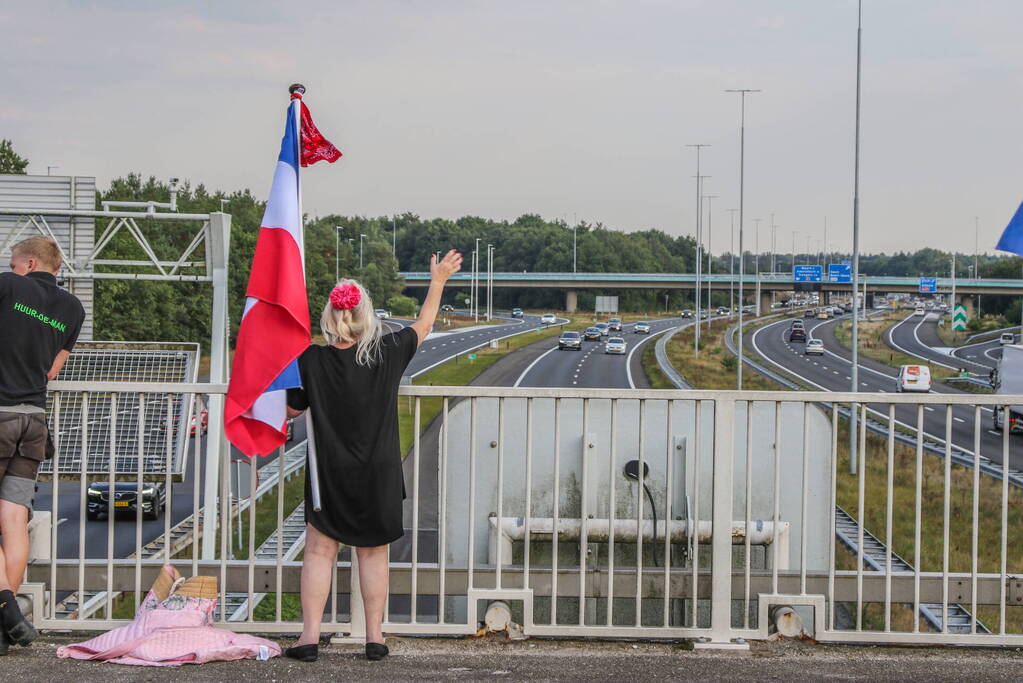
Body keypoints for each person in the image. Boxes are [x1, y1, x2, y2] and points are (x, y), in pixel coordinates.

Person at [284, 249, 462, 662]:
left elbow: (293, 408)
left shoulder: (311, 360)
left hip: (328, 474)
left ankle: (308, 639)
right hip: (379, 472)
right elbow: (425, 324)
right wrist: (437, 281)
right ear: (366, 316)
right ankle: (374, 637)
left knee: (319, 552)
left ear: (329, 318)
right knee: (373, 552)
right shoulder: (387, 351)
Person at [0, 236, 85, 655]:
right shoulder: (73, 308)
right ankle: (3, 630)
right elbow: (53, 370)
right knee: (14, 522)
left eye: (13, 262)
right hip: (34, 419)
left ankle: (6, 610)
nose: (10, 267)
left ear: (29, 262)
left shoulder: (8, 286)